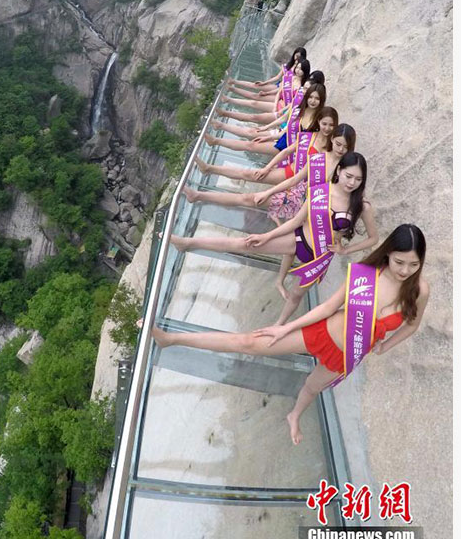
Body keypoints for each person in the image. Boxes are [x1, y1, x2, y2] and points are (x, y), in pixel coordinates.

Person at [150, 224, 430, 445]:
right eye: (400, 262)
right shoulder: (366, 274)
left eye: (414, 264)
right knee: (248, 343)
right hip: (321, 332)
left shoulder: (419, 290)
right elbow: (327, 308)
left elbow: (412, 325)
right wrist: (286, 327)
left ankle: (294, 415)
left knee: (311, 387)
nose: (406, 270)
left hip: (344, 356)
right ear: (388, 254)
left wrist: (386, 346)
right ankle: (172, 339)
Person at [173, 152, 378, 325]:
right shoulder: (319, 191)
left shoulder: (361, 206)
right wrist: (266, 235)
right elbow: (296, 221)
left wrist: (345, 250)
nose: (352, 183)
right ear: (339, 170)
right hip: (298, 240)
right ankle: (188, 242)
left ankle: (279, 325)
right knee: (245, 244)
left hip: (319, 257)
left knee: (296, 295)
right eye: (349, 176)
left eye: (358, 179)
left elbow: (373, 238)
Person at [184, 107, 345, 224]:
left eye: (331, 125)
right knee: (249, 175)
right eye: (324, 123)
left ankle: (199, 194)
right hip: (290, 173)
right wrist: (267, 168)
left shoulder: (335, 147)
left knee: (249, 199)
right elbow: (286, 151)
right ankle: (209, 170)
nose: (327, 128)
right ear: (318, 122)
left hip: (303, 190)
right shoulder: (308, 136)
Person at [203, 84, 326, 158]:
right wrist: (267, 133)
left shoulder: (319, 120)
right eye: (310, 96)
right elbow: (287, 126)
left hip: (294, 150)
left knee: (251, 138)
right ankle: (216, 139)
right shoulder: (299, 109)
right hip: (284, 139)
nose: (312, 101)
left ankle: (218, 134)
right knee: (251, 141)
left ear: (322, 100)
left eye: (317, 98)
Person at [217, 59, 310, 124]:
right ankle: (227, 104)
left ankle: (224, 115)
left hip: (285, 111)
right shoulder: (291, 77)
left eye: (301, 69)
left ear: (305, 71)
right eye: (297, 67)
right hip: (278, 104)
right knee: (254, 103)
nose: (298, 70)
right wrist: (274, 103)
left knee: (255, 117)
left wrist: (282, 110)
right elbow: (280, 91)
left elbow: (294, 103)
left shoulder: (304, 86)